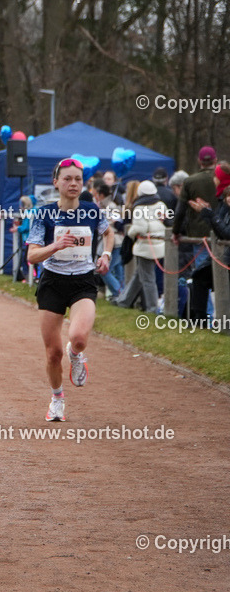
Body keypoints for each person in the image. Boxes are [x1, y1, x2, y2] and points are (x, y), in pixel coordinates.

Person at [26, 157, 114, 423]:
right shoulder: (44, 214)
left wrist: (106, 255)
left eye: (78, 179)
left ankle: (76, 355)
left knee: (78, 337)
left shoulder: (92, 210)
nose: (73, 183)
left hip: (83, 282)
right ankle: (57, 399)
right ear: (56, 183)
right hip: (52, 282)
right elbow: (32, 256)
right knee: (53, 353)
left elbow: (109, 233)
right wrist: (55, 246)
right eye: (67, 178)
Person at [172, 146, 218, 323]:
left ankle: (207, 315)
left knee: (201, 276)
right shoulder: (220, 179)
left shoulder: (190, 181)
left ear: (200, 161)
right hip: (222, 234)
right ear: (215, 161)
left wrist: (176, 232)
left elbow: (181, 209)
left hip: (200, 235)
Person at [114, 181, 164, 312]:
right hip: (158, 243)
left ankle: (153, 308)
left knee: (147, 278)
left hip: (146, 246)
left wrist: (130, 233)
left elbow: (140, 228)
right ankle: (124, 301)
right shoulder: (161, 205)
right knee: (139, 275)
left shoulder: (140, 208)